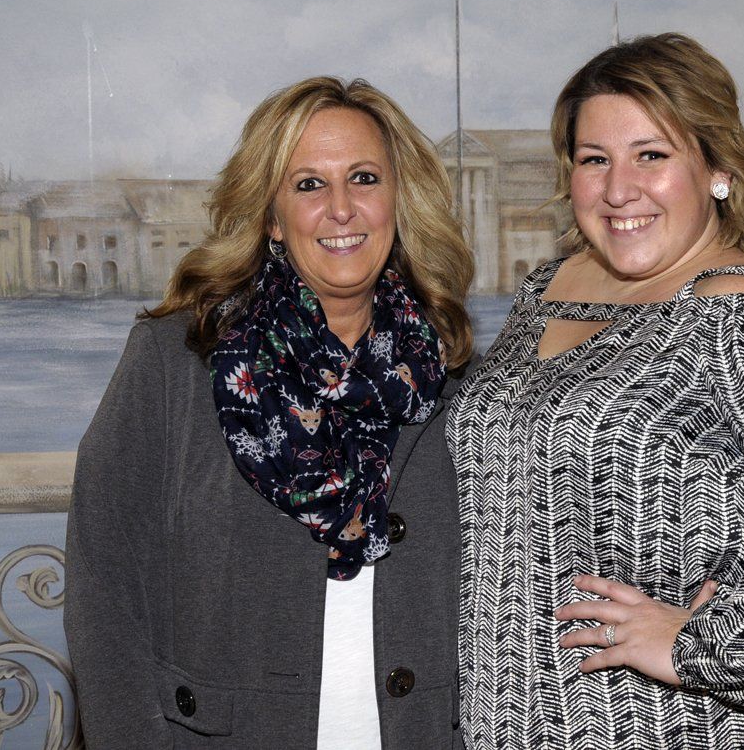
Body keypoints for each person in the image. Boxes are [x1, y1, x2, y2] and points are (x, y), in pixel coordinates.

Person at [447, 33, 744, 748]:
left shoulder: (742, 306)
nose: (619, 189)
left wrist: (710, 643)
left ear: (718, 169)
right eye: (594, 160)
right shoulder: (545, 291)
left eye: (652, 155)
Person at [65, 76, 473, 749]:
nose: (341, 209)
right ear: (272, 217)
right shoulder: (174, 363)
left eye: (364, 178)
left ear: (398, 200)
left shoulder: (454, 374)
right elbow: (102, 586)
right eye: (309, 185)